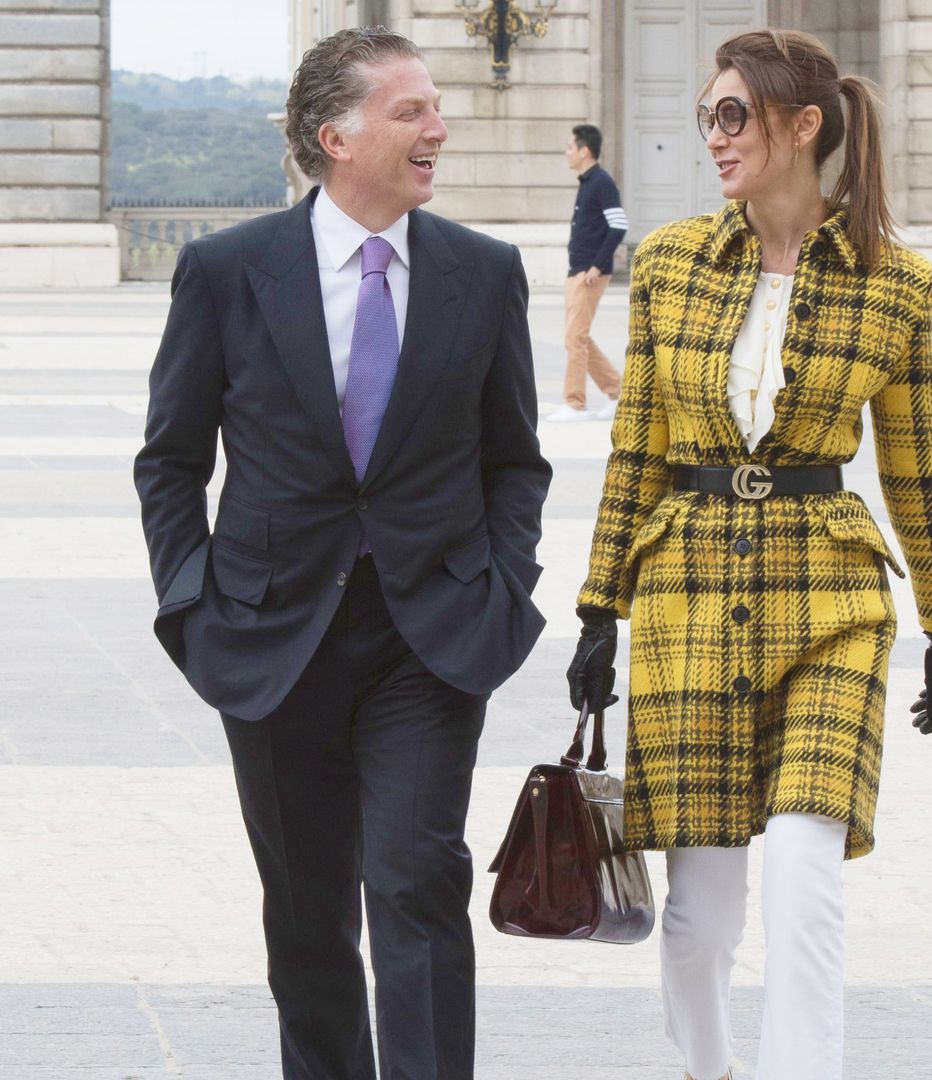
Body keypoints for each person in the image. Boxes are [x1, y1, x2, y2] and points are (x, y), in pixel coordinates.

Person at [134, 27, 551, 1080]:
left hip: (433, 638)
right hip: (274, 642)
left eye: (436, 108)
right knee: (309, 916)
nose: (438, 129)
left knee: (417, 887)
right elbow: (170, 462)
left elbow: (515, 462)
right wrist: (194, 604)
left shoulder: (484, 273)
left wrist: (504, 587)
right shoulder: (228, 272)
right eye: (411, 111)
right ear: (336, 136)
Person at [566, 29, 932, 1080]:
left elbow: (917, 469)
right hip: (686, 592)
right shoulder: (667, 264)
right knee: (699, 922)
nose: (714, 135)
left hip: (830, 597)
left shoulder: (897, 284)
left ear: (803, 127)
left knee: (804, 868)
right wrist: (597, 610)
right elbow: (636, 449)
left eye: (733, 114)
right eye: (707, 114)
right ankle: (712, 1071)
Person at [548, 123, 628, 423]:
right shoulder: (588, 182)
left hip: (589, 273)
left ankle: (574, 404)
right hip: (577, 271)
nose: (567, 153)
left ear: (584, 150)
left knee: (575, 338)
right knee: (578, 337)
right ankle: (618, 391)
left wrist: (596, 266)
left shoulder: (601, 182)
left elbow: (619, 225)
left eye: (570, 147)